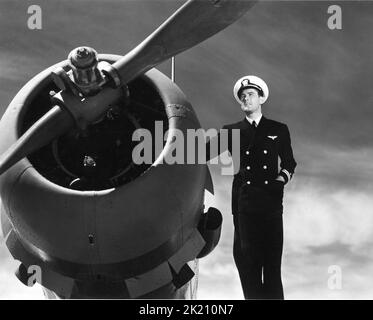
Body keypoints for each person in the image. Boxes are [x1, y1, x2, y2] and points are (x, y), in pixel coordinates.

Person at [206, 75, 296, 299]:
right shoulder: (231, 130)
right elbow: (202, 152)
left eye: (251, 95)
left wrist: (280, 181)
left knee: (272, 267)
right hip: (245, 206)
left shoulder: (279, 129)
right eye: (242, 96)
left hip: (271, 204)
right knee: (249, 267)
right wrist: (170, 145)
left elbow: (289, 163)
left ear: (261, 99)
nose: (246, 99)